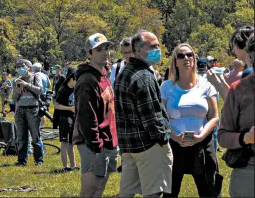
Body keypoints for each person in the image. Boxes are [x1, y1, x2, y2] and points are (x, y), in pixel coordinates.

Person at [114, 30, 172, 197]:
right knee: (153, 192)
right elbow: (152, 117)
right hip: (148, 145)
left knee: (126, 193)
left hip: (129, 145)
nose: (158, 49)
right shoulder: (144, 76)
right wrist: (163, 138)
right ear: (138, 50)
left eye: (158, 45)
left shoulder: (124, 72)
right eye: (153, 46)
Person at [160, 43, 220, 197]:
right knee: (170, 191)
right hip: (174, 143)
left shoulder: (206, 85)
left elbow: (214, 117)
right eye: (180, 56)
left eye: (189, 55)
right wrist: (174, 136)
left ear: (194, 58)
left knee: (209, 188)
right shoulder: (166, 87)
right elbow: (161, 117)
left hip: (202, 142)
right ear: (175, 61)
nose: (186, 58)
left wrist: (201, 136)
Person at [73, 33, 118, 197]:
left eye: (106, 48)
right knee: (89, 191)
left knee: (99, 190)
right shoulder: (87, 80)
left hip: (108, 140)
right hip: (93, 143)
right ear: (89, 53)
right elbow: (86, 116)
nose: (105, 52)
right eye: (99, 49)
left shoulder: (104, 75)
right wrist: (96, 144)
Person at [218, 34, 254, 198]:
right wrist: (245, 138)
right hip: (248, 171)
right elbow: (222, 136)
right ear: (251, 56)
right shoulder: (238, 90)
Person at [12, 59, 44, 167]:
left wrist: (27, 85)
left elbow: (40, 90)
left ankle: (38, 160)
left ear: (29, 67)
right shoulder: (17, 80)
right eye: (18, 67)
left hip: (32, 109)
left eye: (22, 66)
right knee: (21, 137)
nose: (19, 68)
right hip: (20, 109)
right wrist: (17, 90)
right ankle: (21, 160)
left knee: (35, 136)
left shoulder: (35, 77)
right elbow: (14, 98)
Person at [53, 67, 78, 172]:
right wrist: (69, 108)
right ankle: (65, 166)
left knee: (71, 143)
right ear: (71, 79)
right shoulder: (63, 90)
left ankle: (73, 165)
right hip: (64, 118)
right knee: (65, 142)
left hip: (73, 118)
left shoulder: (76, 89)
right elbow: (56, 105)